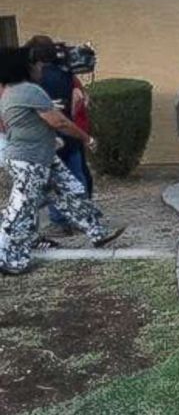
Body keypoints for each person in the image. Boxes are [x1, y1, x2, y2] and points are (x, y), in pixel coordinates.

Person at [0, 48, 124, 275]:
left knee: (72, 189)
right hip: (31, 160)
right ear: (24, 68)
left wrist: (46, 137)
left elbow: (18, 124)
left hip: (38, 156)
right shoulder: (29, 91)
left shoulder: (9, 92)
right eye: (36, 65)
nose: (41, 68)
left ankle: (98, 232)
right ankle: (7, 258)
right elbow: (60, 122)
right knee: (21, 209)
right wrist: (87, 138)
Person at [24, 35, 94, 234]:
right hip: (69, 132)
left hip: (45, 137)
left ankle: (59, 219)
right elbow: (76, 100)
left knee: (51, 182)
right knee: (76, 177)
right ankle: (82, 216)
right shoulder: (65, 74)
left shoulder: (31, 79)